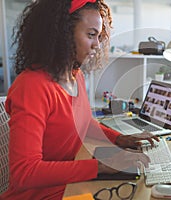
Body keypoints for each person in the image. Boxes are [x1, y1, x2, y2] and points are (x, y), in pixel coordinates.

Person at [0, 0, 159, 199]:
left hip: (69, 185)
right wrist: (100, 166)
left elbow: (83, 123)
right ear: (62, 34)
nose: (97, 45)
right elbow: (24, 173)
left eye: (99, 37)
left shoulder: (75, 75)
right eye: (91, 35)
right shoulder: (32, 86)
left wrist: (120, 139)